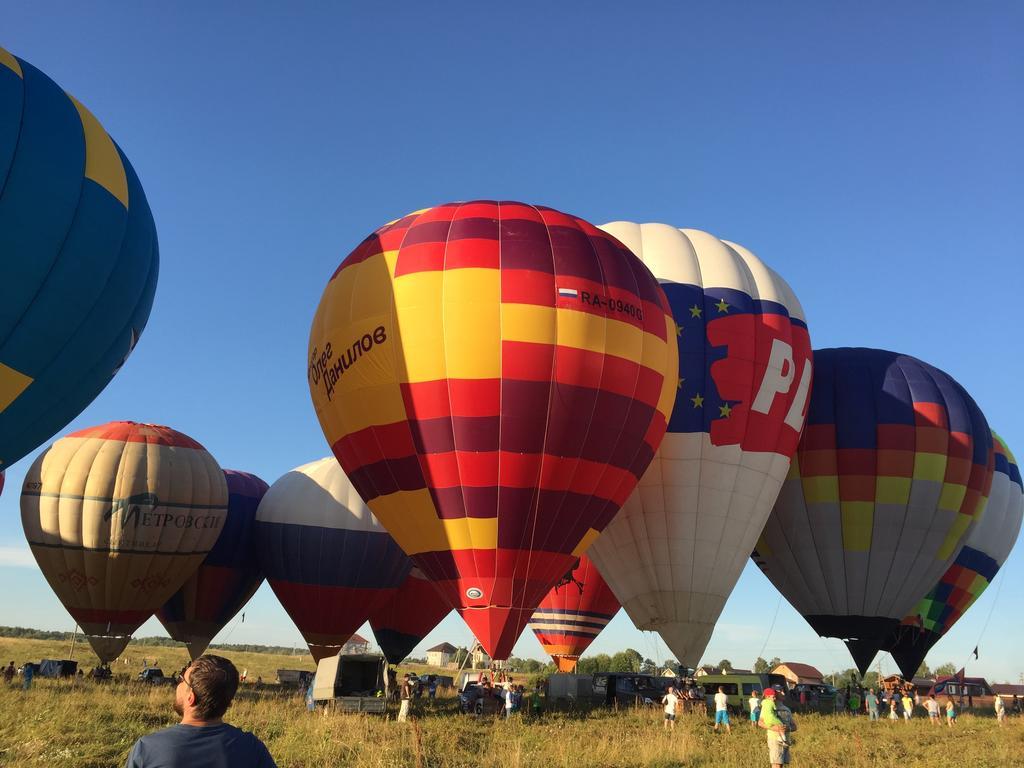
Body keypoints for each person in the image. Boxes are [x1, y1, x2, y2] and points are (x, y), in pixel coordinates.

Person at [124, 655, 275, 767]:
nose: (178, 684)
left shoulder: (148, 748)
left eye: (182, 680)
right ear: (229, 701)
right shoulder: (252, 748)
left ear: (191, 697)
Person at [757, 688, 790, 768]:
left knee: (781, 764)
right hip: (774, 739)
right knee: (777, 764)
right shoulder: (768, 706)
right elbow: (760, 722)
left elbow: (794, 726)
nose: (783, 693)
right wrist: (773, 728)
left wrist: (788, 728)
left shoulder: (786, 709)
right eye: (780, 691)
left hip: (785, 740)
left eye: (783, 690)